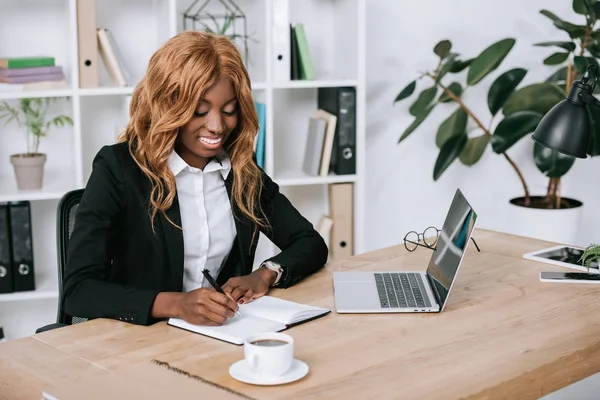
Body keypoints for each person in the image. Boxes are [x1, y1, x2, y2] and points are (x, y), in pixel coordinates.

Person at [62, 31, 328, 327]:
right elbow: (78, 290)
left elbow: (309, 242)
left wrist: (264, 275)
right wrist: (177, 304)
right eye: (200, 111)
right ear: (168, 105)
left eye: (229, 111)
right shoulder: (119, 168)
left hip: (219, 335)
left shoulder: (241, 171)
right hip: (140, 339)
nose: (217, 126)